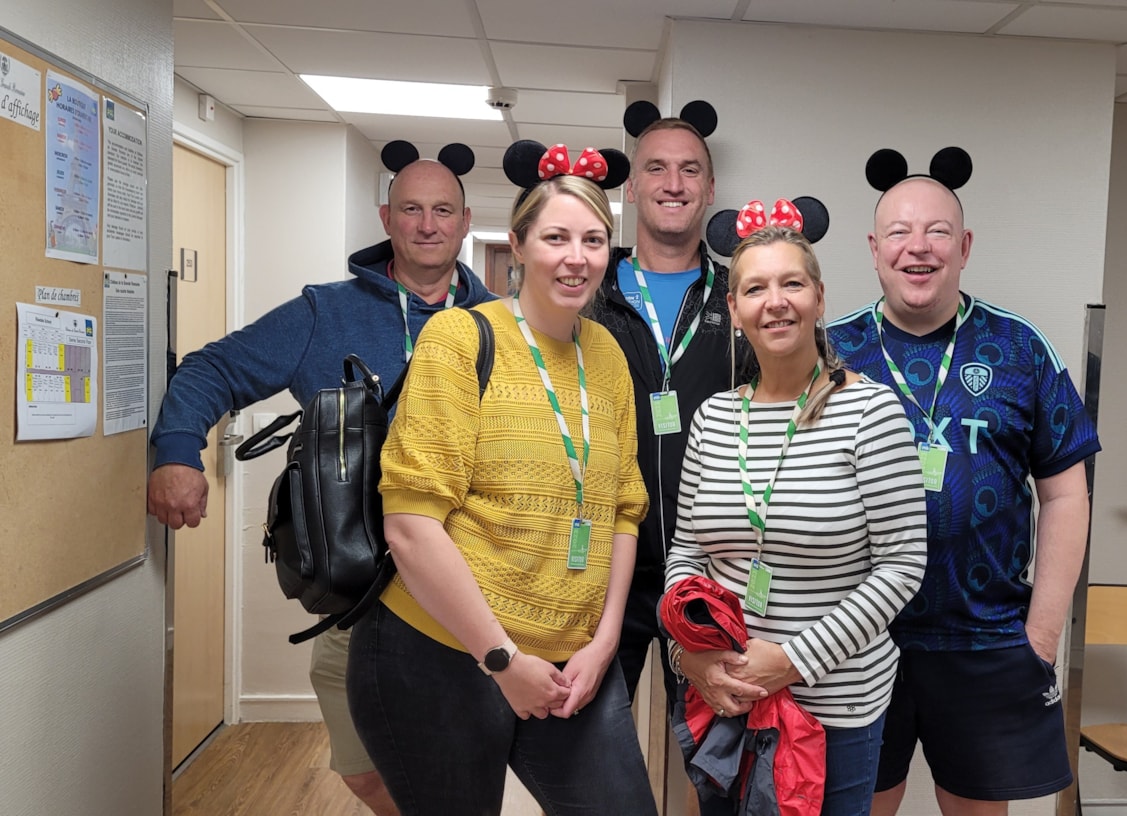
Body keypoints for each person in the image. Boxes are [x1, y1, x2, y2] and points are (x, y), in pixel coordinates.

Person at [147, 154, 493, 816]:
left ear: (465, 221)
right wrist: (178, 452)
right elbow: (212, 369)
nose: (427, 225)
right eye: (411, 209)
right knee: (363, 769)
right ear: (386, 218)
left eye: (443, 210)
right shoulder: (325, 313)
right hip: (358, 590)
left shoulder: (500, 323)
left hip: (467, 588)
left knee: (457, 773)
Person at [345, 161, 658, 815]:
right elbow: (410, 526)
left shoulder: (607, 354)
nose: (576, 258)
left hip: (574, 659)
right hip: (439, 654)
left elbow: (624, 509)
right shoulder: (460, 338)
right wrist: (502, 658)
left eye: (593, 240)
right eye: (555, 238)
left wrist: (604, 642)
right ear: (517, 244)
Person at [826, 167, 1101, 816]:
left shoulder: (1020, 348)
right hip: (856, 638)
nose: (918, 247)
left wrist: (1042, 635)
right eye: (899, 232)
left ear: (965, 246)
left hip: (986, 638)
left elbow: (1067, 495)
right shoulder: (829, 353)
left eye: (938, 232)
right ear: (874, 249)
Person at [665, 220, 928, 816]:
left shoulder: (870, 411)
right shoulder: (713, 418)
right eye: (755, 289)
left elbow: (902, 565)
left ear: (819, 298)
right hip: (726, 696)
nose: (775, 302)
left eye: (792, 284)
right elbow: (686, 553)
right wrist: (693, 656)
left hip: (833, 710)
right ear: (734, 310)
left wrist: (789, 663)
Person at [589, 106, 750, 701]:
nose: (674, 184)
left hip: (715, 569)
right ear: (632, 187)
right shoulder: (590, 293)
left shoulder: (743, 296)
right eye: (656, 168)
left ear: (711, 188)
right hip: (603, 564)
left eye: (690, 170)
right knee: (589, 738)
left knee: (716, 738)